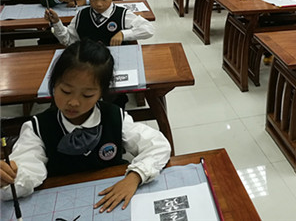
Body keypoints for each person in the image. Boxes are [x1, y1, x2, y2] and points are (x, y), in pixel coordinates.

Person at [0, 39, 171, 212]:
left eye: (87, 95)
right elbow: (27, 170)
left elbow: (158, 145)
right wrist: (10, 179)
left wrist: (135, 176)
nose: (74, 102)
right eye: (66, 91)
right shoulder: (37, 128)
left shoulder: (114, 117)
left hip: (112, 197)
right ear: (53, 83)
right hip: (62, 203)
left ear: (101, 93)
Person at [45, 0, 154, 46]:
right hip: (89, 63)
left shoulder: (122, 15)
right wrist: (57, 23)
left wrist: (123, 34)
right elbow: (68, 40)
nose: (99, 4)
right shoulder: (81, 15)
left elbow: (149, 29)